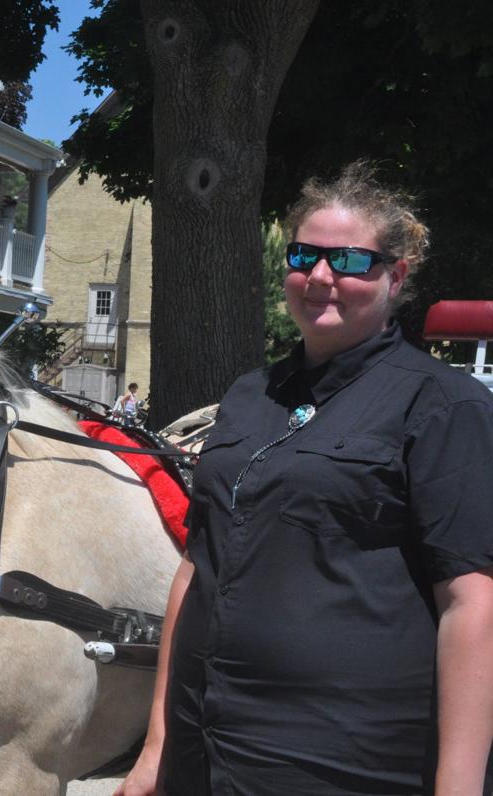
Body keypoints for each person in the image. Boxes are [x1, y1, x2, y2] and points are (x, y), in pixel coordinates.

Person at [117, 161, 493, 795]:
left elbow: (472, 604)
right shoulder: (247, 396)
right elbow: (195, 569)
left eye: (348, 261)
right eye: (304, 256)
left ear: (394, 276)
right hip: (202, 752)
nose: (321, 277)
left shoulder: (442, 405)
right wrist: (156, 746)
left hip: (342, 762)